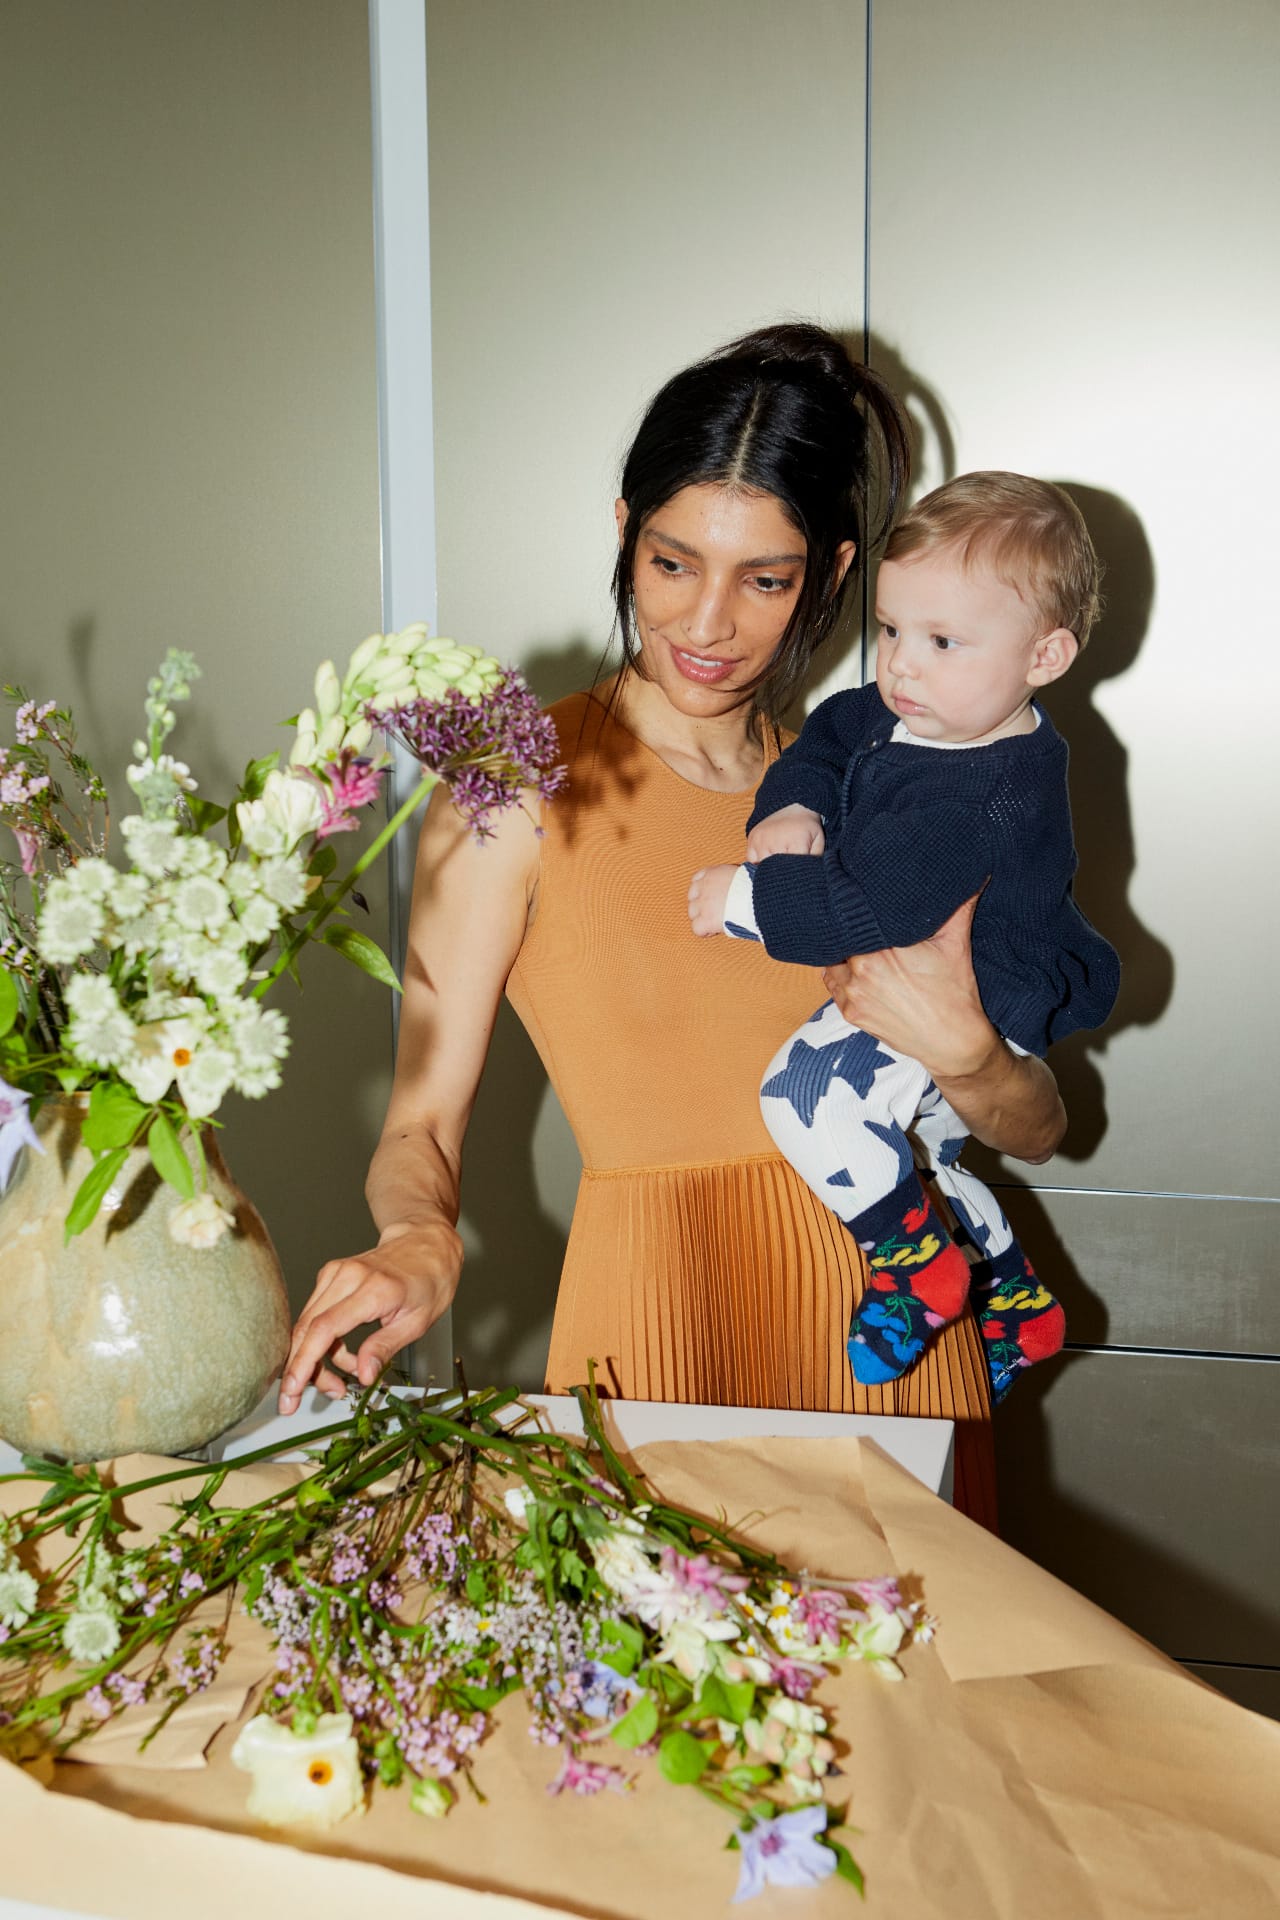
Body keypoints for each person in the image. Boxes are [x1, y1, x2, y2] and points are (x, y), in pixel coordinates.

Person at [278, 327, 1067, 1530]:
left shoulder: (879, 789)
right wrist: (414, 1236)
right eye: (670, 561)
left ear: (830, 571)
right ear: (623, 532)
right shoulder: (516, 784)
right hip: (660, 1329)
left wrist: (968, 1053)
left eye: (764, 578)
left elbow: (1039, 1124)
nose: (708, 622)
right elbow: (422, 1126)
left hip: (895, 1333)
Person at [688, 473, 1118, 1403]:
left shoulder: (989, 794)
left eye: (941, 641)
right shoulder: (916, 711)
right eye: (889, 631)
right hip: (936, 988)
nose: (901, 668)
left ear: (1045, 654)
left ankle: (916, 1269)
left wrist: (744, 898)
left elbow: (858, 912)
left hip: (973, 991)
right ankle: (1014, 1295)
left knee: (804, 1097)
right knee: (914, 1155)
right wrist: (794, 799)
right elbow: (833, 735)